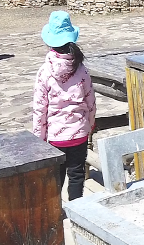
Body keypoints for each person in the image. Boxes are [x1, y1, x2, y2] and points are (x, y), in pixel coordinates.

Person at [32, 11, 96, 201]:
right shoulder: (81, 69)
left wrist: (39, 138)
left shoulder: (44, 72)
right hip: (79, 133)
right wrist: (90, 124)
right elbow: (91, 101)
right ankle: (78, 209)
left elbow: (40, 109)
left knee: (55, 178)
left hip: (55, 137)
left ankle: (55, 212)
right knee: (76, 175)